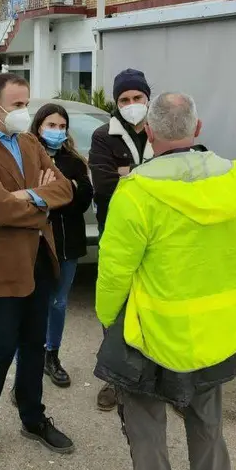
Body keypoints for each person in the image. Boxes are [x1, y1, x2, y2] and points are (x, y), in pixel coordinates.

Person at [95, 93, 236, 470]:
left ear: (149, 133)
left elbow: (115, 271)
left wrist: (106, 318)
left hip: (154, 333)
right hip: (219, 329)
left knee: (146, 422)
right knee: (206, 414)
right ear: (198, 128)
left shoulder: (136, 192)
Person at [0, 73, 76, 461]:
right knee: (3, 345)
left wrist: (27, 196)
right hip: (3, 266)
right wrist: (40, 205)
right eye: (20, 104)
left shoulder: (29, 142)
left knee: (33, 342)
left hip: (40, 260)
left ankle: (32, 416)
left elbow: (65, 189)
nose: (26, 111)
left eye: (27, 103)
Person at [88, 67, 154, 411]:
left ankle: (152, 376)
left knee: (151, 305)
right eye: (124, 99)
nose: (131, 104)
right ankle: (115, 380)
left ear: (147, 98)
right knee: (114, 308)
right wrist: (150, 179)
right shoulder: (104, 136)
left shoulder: (161, 131)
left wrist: (129, 174)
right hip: (116, 233)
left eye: (137, 98)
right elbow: (104, 187)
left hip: (158, 238)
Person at [30, 102, 94, 388]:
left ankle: (51, 355)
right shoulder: (27, 157)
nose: (57, 131)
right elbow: (26, 199)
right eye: (51, 125)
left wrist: (54, 191)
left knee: (58, 302)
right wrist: (62, 191)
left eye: (62, 126)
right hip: (37, 243)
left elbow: (83, 199)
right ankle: (27, 365)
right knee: (33, 304)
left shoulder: (74, 160)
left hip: (68, 242)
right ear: (39, 126)